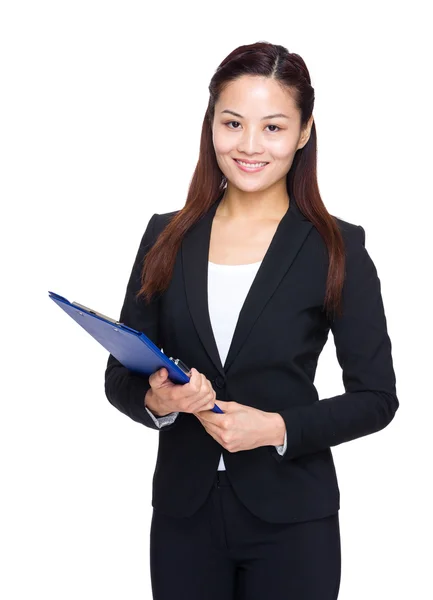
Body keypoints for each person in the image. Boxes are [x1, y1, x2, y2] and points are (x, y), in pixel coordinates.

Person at [104, 41, 399, 600]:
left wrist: (277, 428)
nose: (248, 146)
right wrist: (158, 402)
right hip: (183, 519)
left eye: (273, 127)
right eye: (232, 122)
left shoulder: (337, 248)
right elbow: (120, 377)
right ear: (210, 123)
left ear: (304, 131)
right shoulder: (166, 235)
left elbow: (378, 397)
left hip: (292, 520)